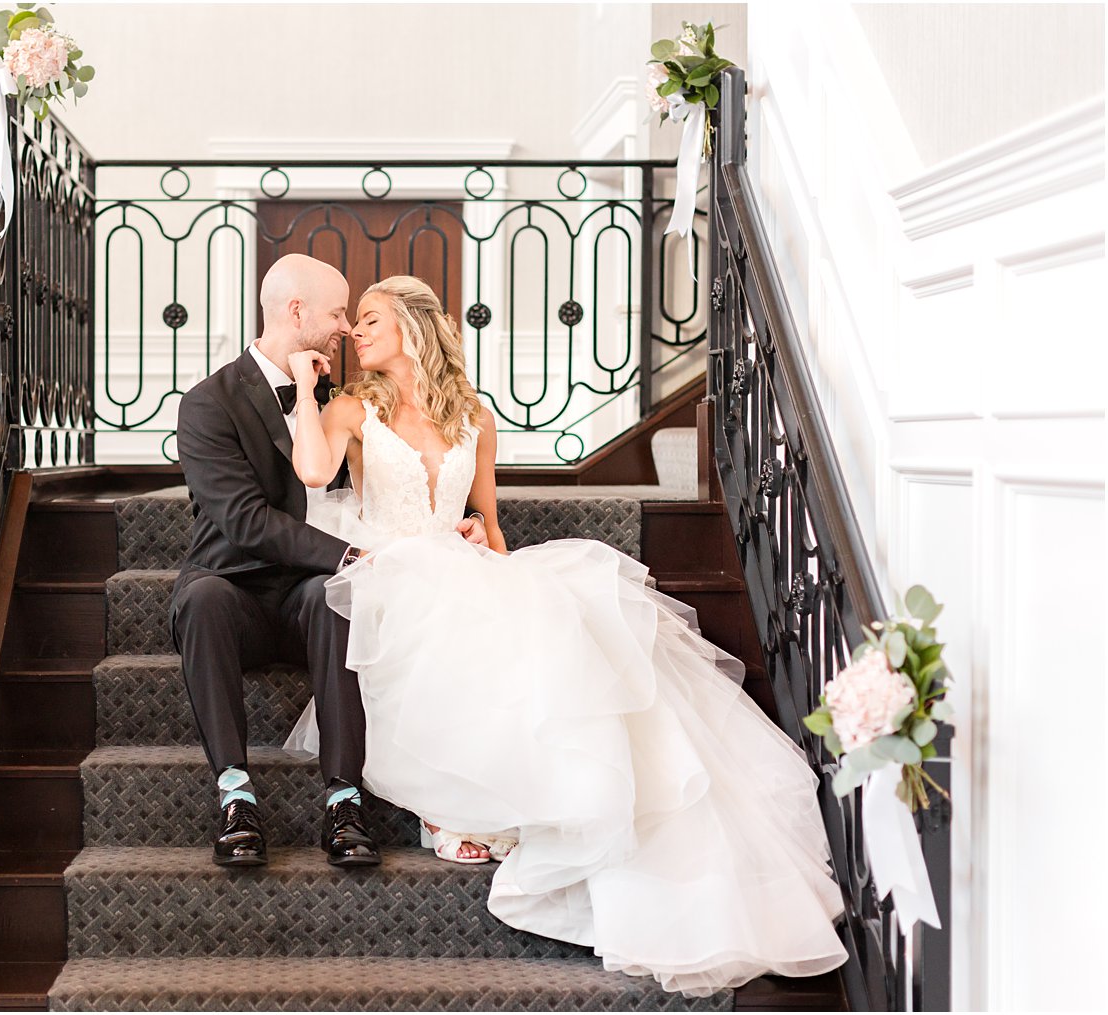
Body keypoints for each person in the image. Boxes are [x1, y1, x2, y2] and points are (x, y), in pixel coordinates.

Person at [282, 274, 848, 995]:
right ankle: (458, 805)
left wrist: (480, 540)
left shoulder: (474, 418)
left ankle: (559, 799)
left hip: (457, 560)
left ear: (415, 325)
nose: (356, 333)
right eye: (355, 322)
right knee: (449, 615)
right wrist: (306, 386)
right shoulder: (355, 407)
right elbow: (312, 470)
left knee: (554, 620)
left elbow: (489, 522)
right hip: (387, 568)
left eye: (370, 319)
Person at [170, 254, 489, 869]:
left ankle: (344, 800)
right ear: (297, 312)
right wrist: (352, 553)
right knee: (205, 598)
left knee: (338, 594)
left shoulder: (341, 399)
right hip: (235, 587)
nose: (346, 327)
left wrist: (456, 521)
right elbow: (245, 522)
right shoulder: (210, 402)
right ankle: (236, 796)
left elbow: (385, 483)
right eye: (338, 312)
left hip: (315, 593)